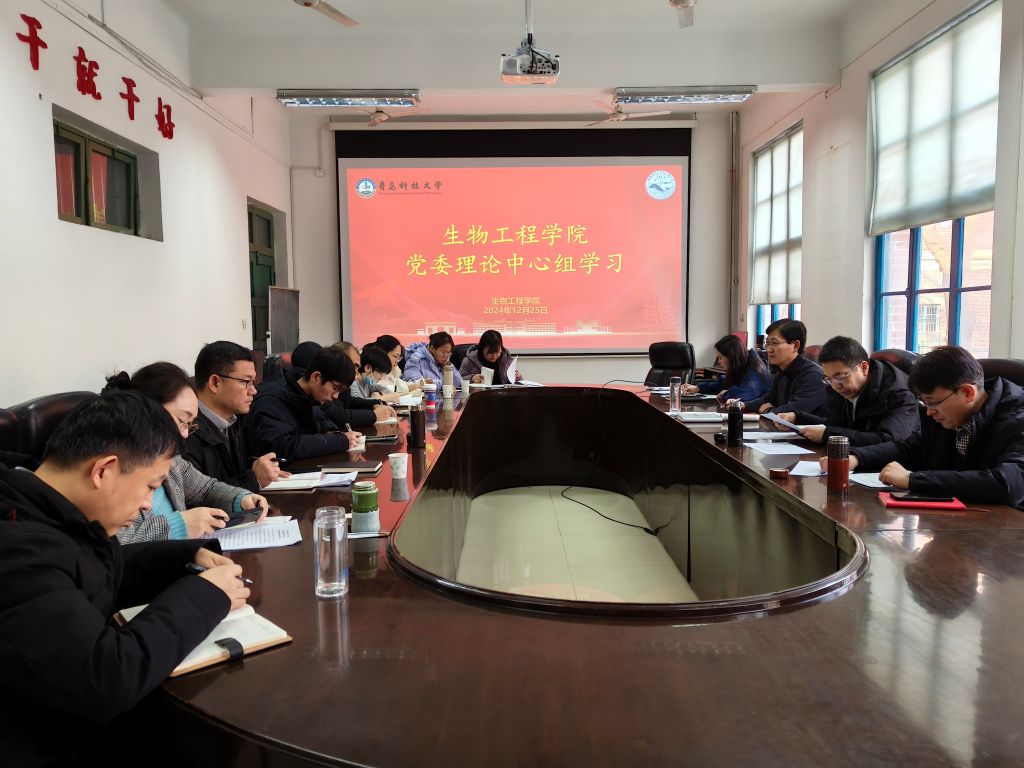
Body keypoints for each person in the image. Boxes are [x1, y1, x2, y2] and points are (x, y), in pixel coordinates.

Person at [0, 391, 249, 766]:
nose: (149, 503)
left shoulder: (56, 513)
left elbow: (100, 572)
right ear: (103, 470)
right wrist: (206, 596)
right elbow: (107, 676)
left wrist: (186, 556)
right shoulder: (16, 548)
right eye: (150, 486)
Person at [840, 346, 1024, 507]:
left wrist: (912, 480)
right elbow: (910, 449)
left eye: (933, 403)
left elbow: (1007, 485)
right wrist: (857, 458)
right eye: (924, 403)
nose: (929, 412)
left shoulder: (1017, 419)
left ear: (968, 392)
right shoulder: (948, 414)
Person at [103, 364, 268, 542]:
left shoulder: (172, 459)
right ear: (149, 410)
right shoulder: (112, 467)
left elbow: (205, 489)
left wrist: (240, 498)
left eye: (189, 425)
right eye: (182, 420)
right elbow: (114, 541)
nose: (185, 434)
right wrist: (179, 525)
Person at [184, 341, 289, 491]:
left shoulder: (234, 420)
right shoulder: (186, 433)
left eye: (253, 382)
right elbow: (197, 498)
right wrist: (253, 479)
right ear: (215, 383)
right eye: (246, 382)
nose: (253, 391)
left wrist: (264, 471)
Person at [776, 336, 919, 446]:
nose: (835, 385)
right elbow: (837, 425)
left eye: (840, 377)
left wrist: (828, 435)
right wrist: (797, 417)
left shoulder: (899, 394)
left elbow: (888, 440)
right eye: (828, 379)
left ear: (863, 368)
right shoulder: (841, 387)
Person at [246, 346, 362, 460]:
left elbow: (320, 419)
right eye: (335, 388)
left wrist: (333, 431)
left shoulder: (305, 392)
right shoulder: (271, 400)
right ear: (316, 377)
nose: (336, 396)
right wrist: (340, 441)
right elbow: (284, 447)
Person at [742, 318, 827, 416]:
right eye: (768, 343)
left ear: (795, 346)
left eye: (774, 343)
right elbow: (767, 399)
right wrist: (742, 406)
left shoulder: (813, 376)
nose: (769, 350)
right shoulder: (781, 372)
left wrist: (768, 410)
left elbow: (792, 411)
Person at [683, 334, 770, 402]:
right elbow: (723, 382)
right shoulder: (743, 363)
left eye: (720, 358)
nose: (719, 362)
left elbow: (740, 396)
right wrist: (698, 388)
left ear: (731, 356)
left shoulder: (754, 369)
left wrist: (725, 394)